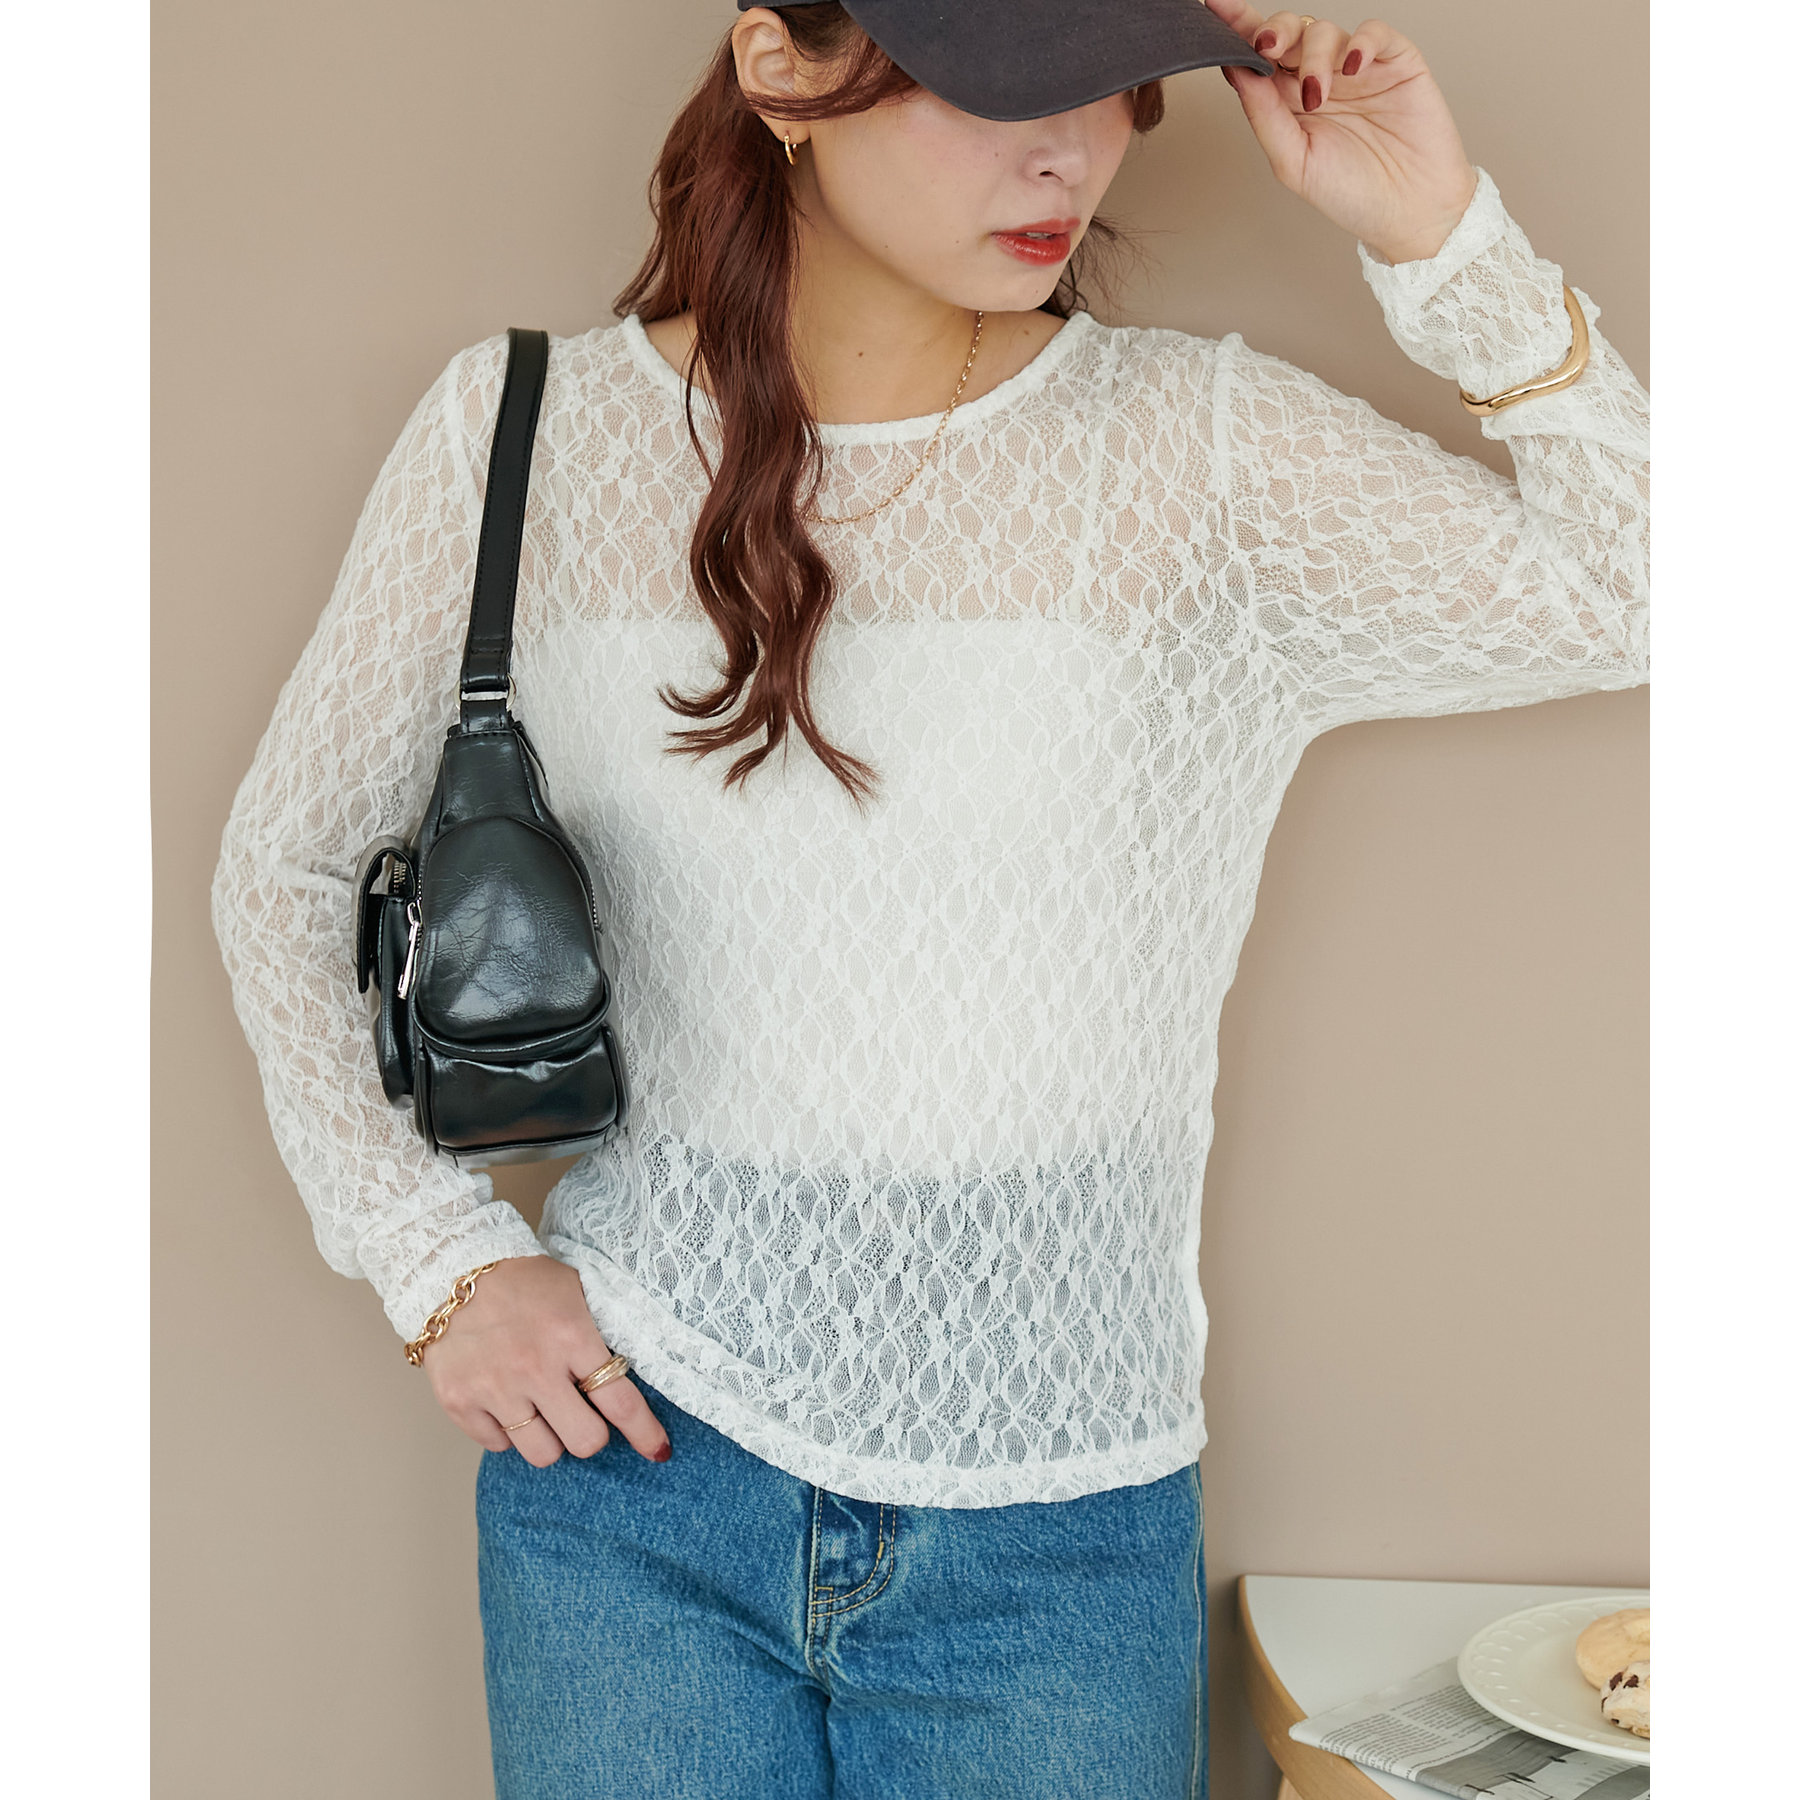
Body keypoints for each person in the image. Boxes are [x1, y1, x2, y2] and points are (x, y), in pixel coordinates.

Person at [211, 3, 1648, 1796]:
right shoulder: (525, 431)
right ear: (781, 68)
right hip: (637, 1477)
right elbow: (286, 868)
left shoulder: (1196, 448)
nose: (1073, 152)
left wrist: (1440, 234)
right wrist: (445, 1267)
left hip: (1062, 1513)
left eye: (1114, 94)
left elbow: (1648, 593)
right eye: (1003, 88)